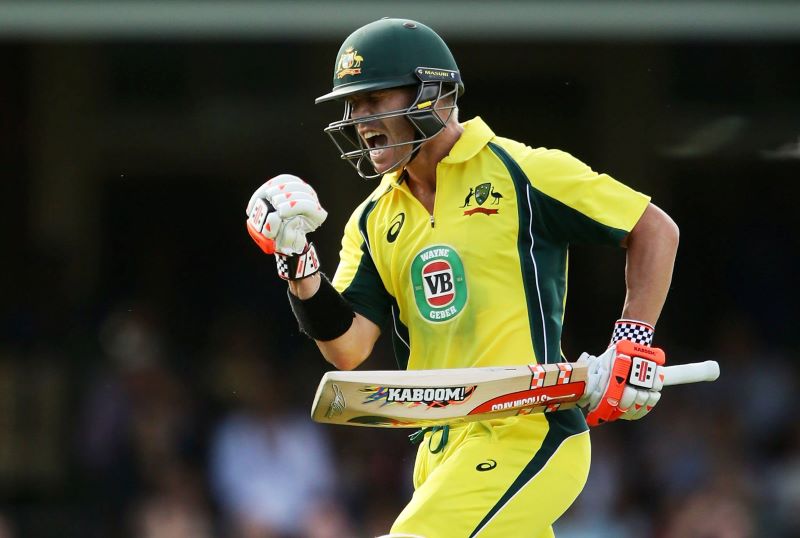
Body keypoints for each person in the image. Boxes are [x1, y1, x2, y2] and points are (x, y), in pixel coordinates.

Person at [245, 18, 679, 538]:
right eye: (353, 106)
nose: (360, 120)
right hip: (436, 450)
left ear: (433, 94)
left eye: (374, 100)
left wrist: (632, 342)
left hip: (526, 430)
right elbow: (348, 348)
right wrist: (298, 264)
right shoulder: (372, 219)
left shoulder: (522, 171)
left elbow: (654, 229)